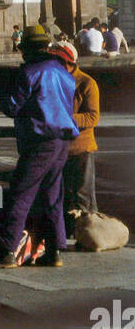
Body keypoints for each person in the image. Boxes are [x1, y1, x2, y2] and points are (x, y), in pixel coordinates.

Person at [0, 24, 78, 268]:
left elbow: (11, 106)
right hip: (62, 140)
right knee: (52, 195)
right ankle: (53, 252)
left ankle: (5, 251)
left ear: (27, 50)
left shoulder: (30, 72)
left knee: (20, 195)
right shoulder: (64, 73)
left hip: (40, 140)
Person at [48, 42, 99, 238]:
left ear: (69, 63)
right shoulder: (54, 81)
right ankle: (67, 233)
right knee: (62, 195)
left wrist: (64, 117)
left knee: (83, 197)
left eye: (59, 61)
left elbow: (92, 118)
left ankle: (86, 236)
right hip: (59, 149)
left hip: (81, 149)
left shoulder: (86, 83)